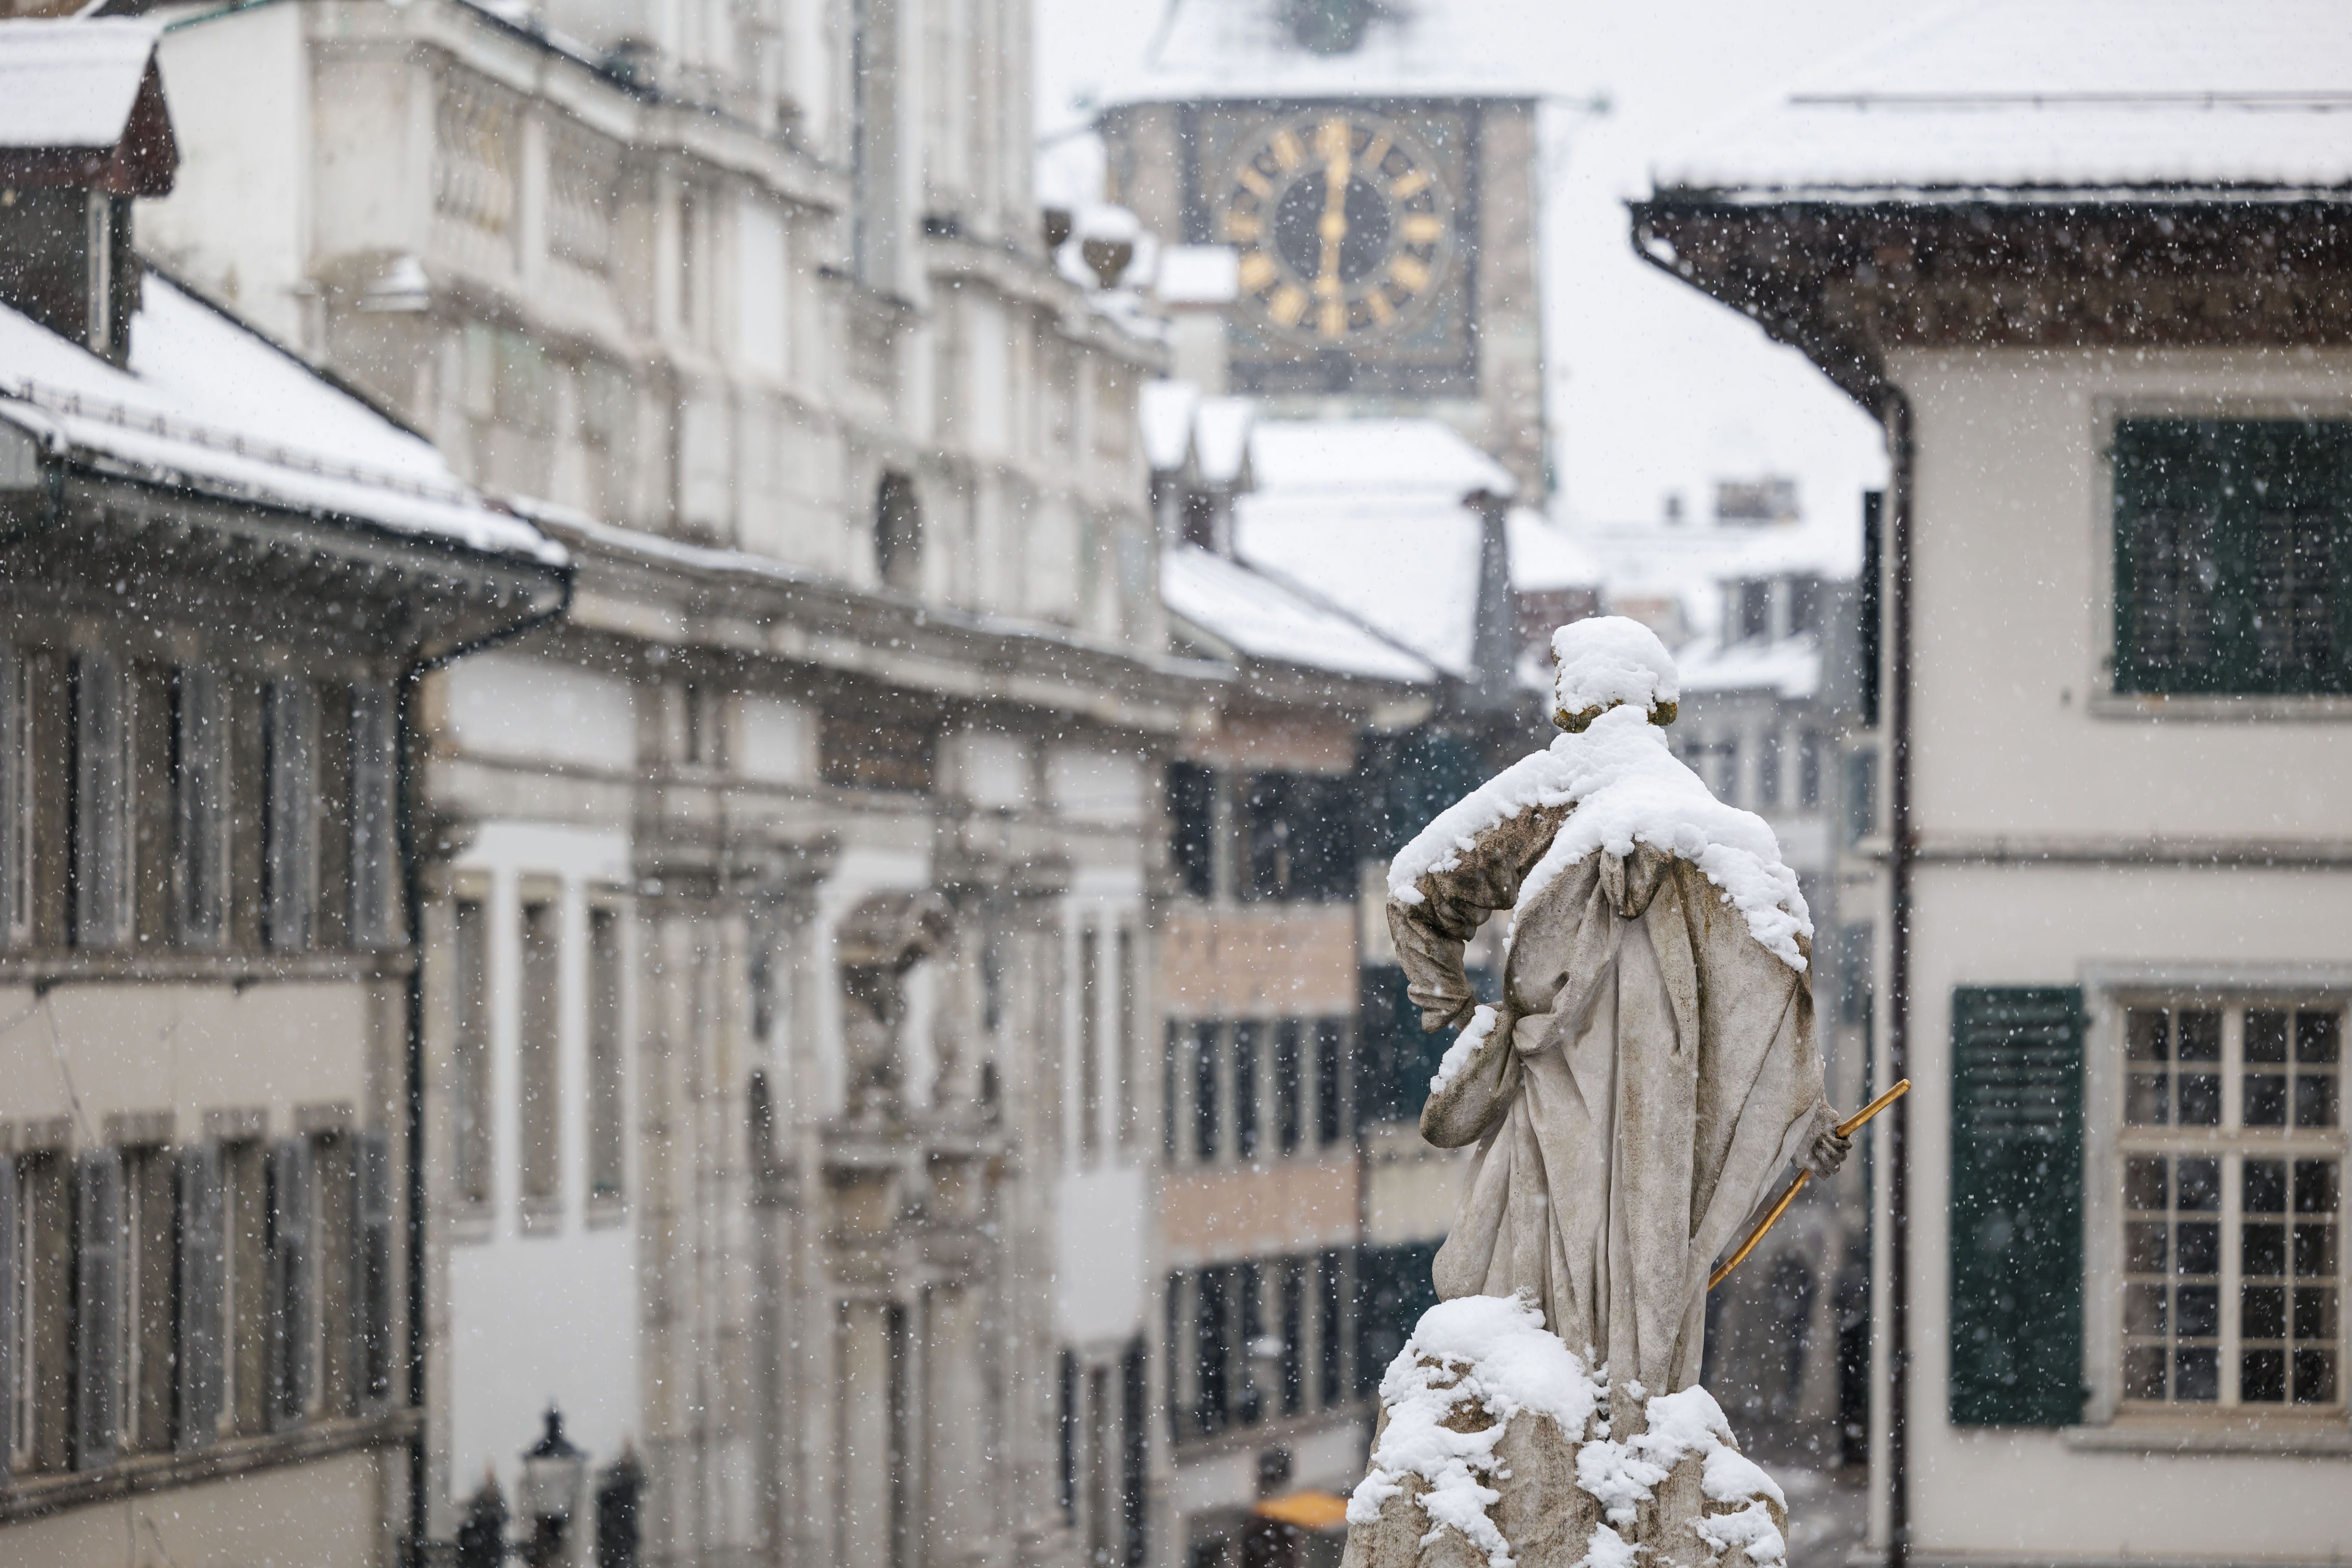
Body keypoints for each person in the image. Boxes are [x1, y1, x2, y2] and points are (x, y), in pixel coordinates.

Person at [1386, 616, 1849, 1397]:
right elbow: (1776, 990)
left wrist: (1461, 1016)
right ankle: (1629, 1423)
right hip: (1658, 1109)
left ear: (1567, 705)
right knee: (1645, 1271)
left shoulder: (1542, 802)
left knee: (1529, 1272)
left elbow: (1414, 891)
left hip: (1550, 1096)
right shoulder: (1717, 838)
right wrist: (1802, 1112)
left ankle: (1557, 1410)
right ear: (1661, 706)